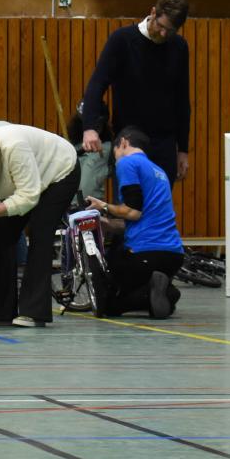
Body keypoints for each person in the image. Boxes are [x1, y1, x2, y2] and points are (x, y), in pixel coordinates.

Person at [0, 121, 80, 327]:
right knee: (2, 234)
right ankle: (0, 311)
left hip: (59, 170)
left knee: (40, 232)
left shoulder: (14, 149)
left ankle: (34, 312)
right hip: (26, 182)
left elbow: (28, 197)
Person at [75, 0, 191, 198]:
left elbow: (182, 101)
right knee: (128, 207)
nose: (163, 34)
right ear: (153, 12)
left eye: (170, 31)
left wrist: (183, 149)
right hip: (129, 140)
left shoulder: (179, 47)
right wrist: (89, 128)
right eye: (161, 26)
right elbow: (97, 84)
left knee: (158, 207)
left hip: (164, 144)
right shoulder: (122, 40)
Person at [86, 127, 184, 319]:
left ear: (123, 142)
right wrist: (107, 223)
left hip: (143, 253)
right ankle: (164, 292)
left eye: (115, 153)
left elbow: (133, 211)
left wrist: (102, 206)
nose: (115, 159)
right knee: (142, 286)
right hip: (173, 256)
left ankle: (153, 293)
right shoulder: (159, 171)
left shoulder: (127, 162)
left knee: (107, 304)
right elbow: (141, 219)